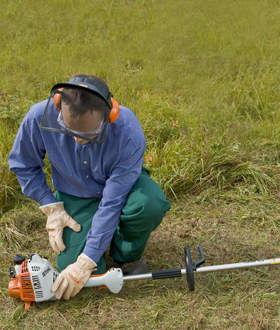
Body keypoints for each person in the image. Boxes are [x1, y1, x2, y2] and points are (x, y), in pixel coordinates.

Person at [8, 74, 171, 300]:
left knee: (148, 204)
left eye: (87, 135)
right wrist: (50, 205)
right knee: (68, 266)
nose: (77, 141)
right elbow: (23, 164)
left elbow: (112, 202)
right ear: (58, 105)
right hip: (74, 193)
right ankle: (97, 239)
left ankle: (126, 254)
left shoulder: (127, 130)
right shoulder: (38, 116)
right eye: (69, 131)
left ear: (110, 115)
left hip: (120, 190)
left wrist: (87, 260)